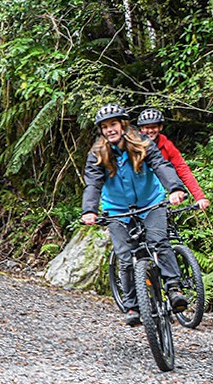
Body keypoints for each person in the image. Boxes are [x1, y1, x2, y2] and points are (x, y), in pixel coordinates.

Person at [80, 105, 188, 325]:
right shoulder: (97, 154)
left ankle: (174, 288)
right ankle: (132, 307)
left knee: (159, 241)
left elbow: (160, 165)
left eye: (113, 124)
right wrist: (89, 210)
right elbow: (93, 184)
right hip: (117, 209)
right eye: (105, 126)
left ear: (122, 124)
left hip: (151, 202)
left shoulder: (142, 143)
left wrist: (175, 188)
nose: (109, 129)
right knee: (126, 256)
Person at [135, 108, 209, 210]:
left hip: (160, 194)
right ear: (141, 129)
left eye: (154, 127)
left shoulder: (167, 146)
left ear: (160, 127)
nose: (150, 131)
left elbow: (182, 170)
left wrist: (199, 197)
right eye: (147, 127)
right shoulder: (133, 145)